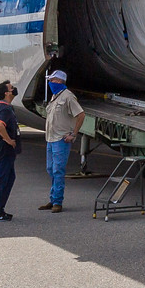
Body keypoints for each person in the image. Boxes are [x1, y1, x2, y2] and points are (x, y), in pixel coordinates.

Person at [38, 70, 85, 213]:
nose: (50, 83)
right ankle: (53, 199)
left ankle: (57, 201)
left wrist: (74, 134)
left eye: (52, 80)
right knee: (50, 169)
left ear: (59, 81)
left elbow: (81, 114)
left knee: (58, 170)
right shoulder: (55, 96)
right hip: (51, 138)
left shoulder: (68, 97)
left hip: (61, 139)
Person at [0, 80, 20, 221]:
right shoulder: (5, 109)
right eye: (11, 88)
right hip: (4, 149)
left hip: (3, 149)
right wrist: (7, 139)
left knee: (9, 177)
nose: (14, 89)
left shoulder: (1, 106)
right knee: (2, 179)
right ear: (7, 93)